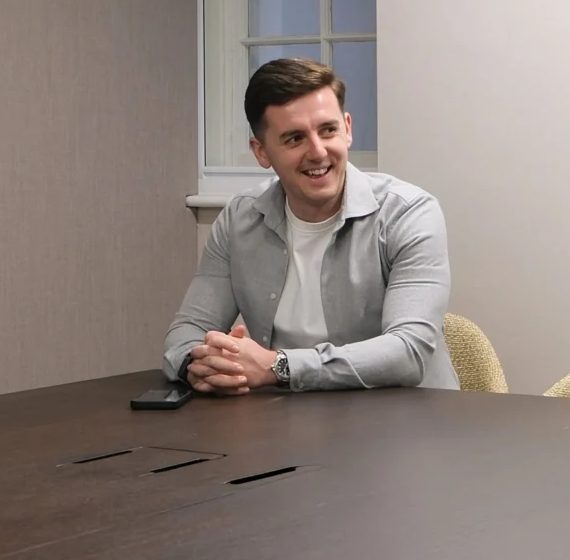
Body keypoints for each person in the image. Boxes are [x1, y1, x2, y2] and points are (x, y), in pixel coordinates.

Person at [166, 57, 454, 393]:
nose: (317, 152)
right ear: (261, 152)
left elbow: (408, 351)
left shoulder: (408, 213)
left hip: (406, 427)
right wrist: (200, 365)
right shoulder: (239, 218)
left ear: (347, 129)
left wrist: (278, 366)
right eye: (294, 139)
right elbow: (188, 330)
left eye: (328, 130)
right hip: (284, 424)